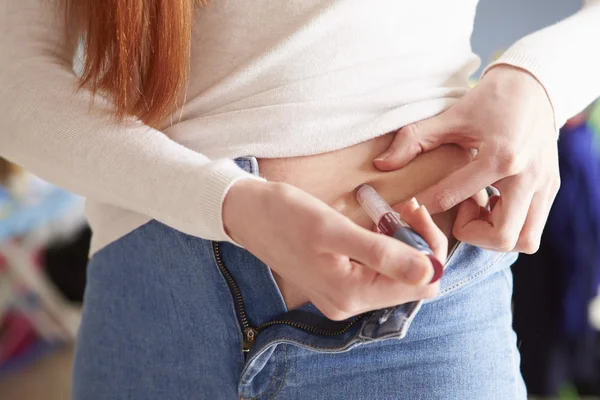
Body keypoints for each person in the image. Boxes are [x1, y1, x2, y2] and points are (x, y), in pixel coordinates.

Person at [1, 0, 599, 398]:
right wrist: (228, 203)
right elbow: (13, 77)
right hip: (153, 313)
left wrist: (539, 82)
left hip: (422, 319)